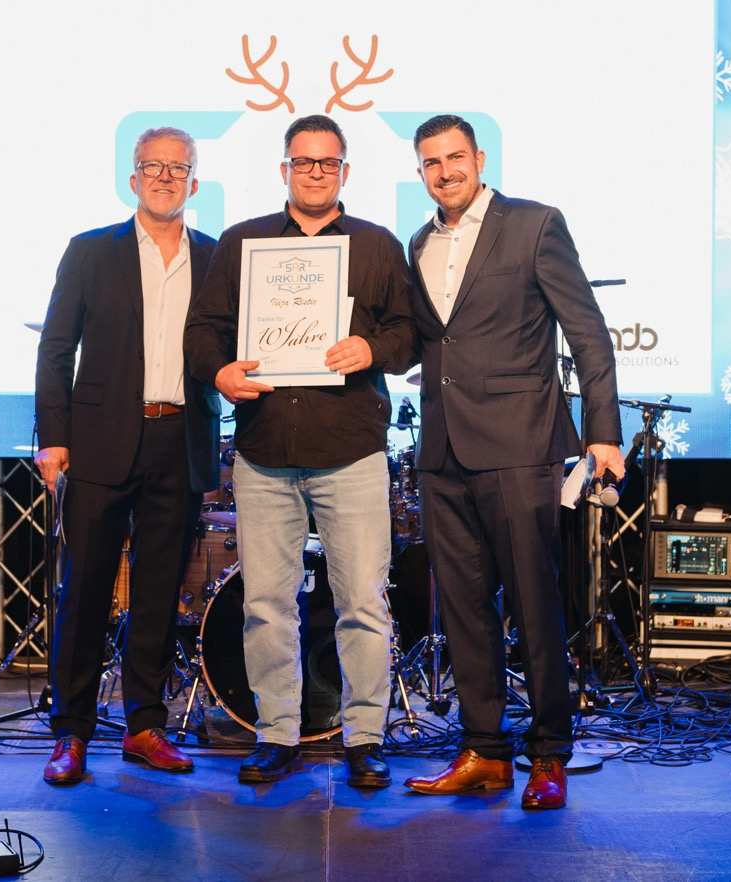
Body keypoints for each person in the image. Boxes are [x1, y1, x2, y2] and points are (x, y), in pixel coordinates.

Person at [183, 114, 415, 787]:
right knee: (266, 605)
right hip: (264, 453)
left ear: (345, 171)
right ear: (284, 169)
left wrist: (371, 348)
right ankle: (276, 734)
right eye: (304, 162)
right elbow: (203, 330)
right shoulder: (243, 242)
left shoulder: (376, 244)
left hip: (352, 452)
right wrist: (220, 371)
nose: (316, 172)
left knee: (363, 604)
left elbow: (408, 336)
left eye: (328, 162)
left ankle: (364, 737)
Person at [400, 115, 624, 808]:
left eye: (455, 158)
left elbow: (588, 333)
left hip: (521, 445)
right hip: (443, 451)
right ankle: (485, 753)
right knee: (463, 610)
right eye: (431, 162)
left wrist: (603, 433)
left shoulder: (534, 224)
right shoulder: (418, 242)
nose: (445, 172)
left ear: (479, 158)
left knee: (534, 606)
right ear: (420, 172)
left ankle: (549, 753)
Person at [34, 127, 220, 785]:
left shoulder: (216, 257)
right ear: (133, 178)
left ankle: (145, 726)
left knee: (159, 593)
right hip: (99, 439)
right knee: (84, 591)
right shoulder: (90, 251)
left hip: (180, 438)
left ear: (194, 182)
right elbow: (56, 348)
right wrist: (53, 437)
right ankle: (71, 732)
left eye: (178, 167)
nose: (166, 177)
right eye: (153, 166)